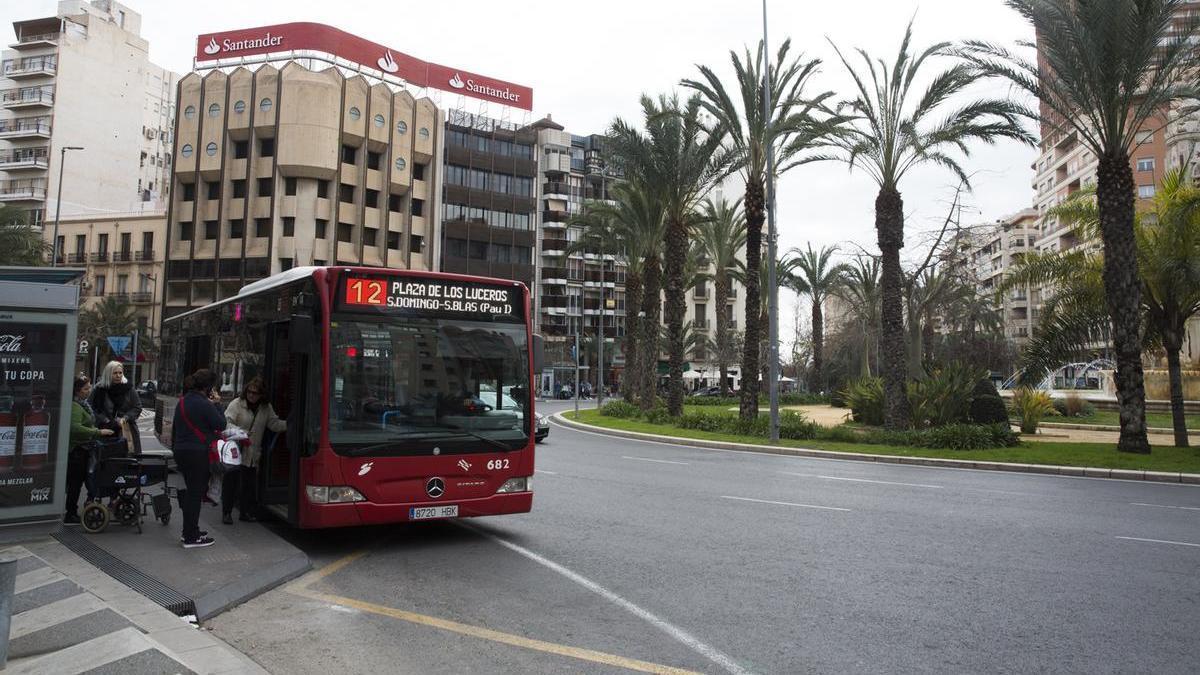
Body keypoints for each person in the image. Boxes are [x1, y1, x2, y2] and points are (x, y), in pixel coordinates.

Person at [171, 369, 225, 548]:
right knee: (195, 494)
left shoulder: (183, 402)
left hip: (181, 451)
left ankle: (189, 530)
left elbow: (175, 429)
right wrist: (217, 404)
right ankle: (191, 536)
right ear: (208, 388)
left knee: (192, 492)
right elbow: (220, 424)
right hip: (197, 453)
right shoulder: (205, 404)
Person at [221, 378, 286, 525]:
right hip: (235, 450)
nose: (252, 395)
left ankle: (245, 512)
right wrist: (241, 432)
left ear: (261, 395)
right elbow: (226, 422)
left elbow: (274, 424)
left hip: (252, 453)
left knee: (248, 485)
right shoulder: (237, 404)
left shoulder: (265, 407)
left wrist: (290, 424)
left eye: (255, 393)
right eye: (250, 391)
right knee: (231, 482)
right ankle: (227, 513)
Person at [64, 376, 114, 524]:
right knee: (75, 483)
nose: (89, 390)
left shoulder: (83, 404)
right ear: (78, 392)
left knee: (80, 482)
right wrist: (97, 432)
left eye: (89, 387)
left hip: (84, 448)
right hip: (77, 451)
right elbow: (75, 428)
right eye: (86, 388)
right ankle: (70, 513)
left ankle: (74, 510)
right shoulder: (75, 406)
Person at [89, 360, 142, 455]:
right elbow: (90, 407)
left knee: (128, 460)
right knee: (105, 461)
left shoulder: (128, 388)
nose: (118, 375)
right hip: (104, 430)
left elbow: (137, 407)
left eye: (120, 373)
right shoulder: (99, 389)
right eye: (115, 373)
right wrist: (104, 419)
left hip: (125, 429)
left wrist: (125, 418)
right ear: (108, 374)